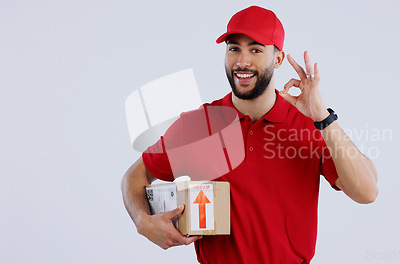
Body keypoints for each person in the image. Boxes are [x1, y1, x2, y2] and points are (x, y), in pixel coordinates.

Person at [121, 5, 378, 264]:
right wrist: (143, 221)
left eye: (256, 50)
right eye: (234, 48)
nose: (242, 61)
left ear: (277, 59)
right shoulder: (199, 124)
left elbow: (367, 192)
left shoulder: (311, 125)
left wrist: (323, 117)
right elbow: (136, 174)